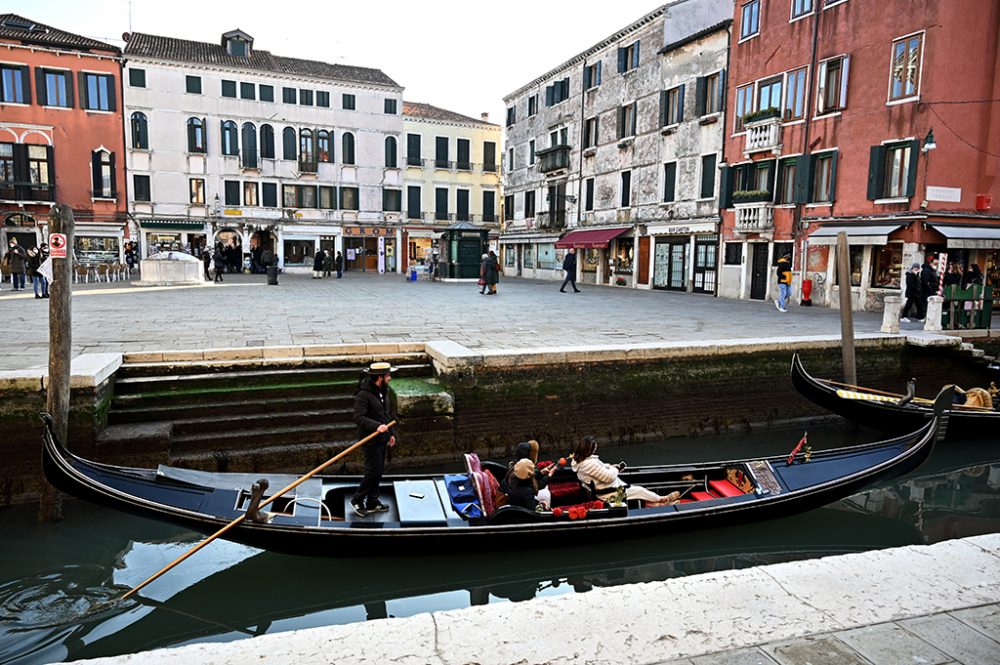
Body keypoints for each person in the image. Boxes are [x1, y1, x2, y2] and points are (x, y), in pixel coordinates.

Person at [572, 435, 681, 506]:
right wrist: (616, 468)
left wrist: (609, 466)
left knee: (637, 493)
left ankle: (659, 505)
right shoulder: (589, 464)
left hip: (606, 488)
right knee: (639, 491)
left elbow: (599, 467)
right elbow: (609, 477)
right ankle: (663, 499)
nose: (595, 450)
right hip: (609, 494)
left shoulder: (581, 460)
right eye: (594, 448)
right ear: (589, 449)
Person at [351, 361, 397, 517]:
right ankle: (357, 500)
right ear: (380, 377)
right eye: (388, 375)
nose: (390, 378)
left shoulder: (384, 391)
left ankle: (372, 501)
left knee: (379, 472)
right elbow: (358, 417)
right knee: (373, 472)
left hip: (382, 439)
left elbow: (386, 415)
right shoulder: (363, 395)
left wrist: (390, 434)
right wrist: (376, 426)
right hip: (369, 440)